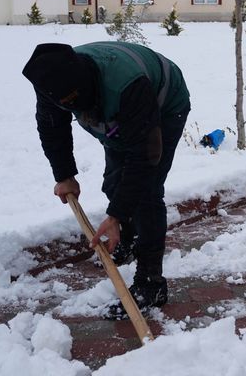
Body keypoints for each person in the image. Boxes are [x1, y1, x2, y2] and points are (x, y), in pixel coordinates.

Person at [22, 41, 190, 318]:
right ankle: (126, 238)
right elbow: (53, 127)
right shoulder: (51, 82)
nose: (70, 107)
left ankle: (151, 285)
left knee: (146, 193)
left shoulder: (126, 85)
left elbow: (144, 158)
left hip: (164, 102)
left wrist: (115, 215)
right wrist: (64, 175)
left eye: (75, 102)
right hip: (117, 110)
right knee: (115, 181)